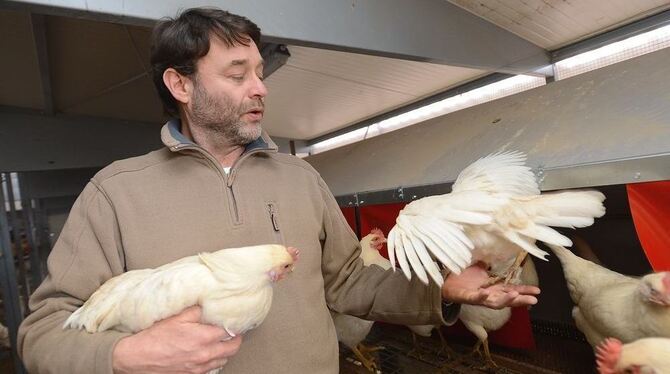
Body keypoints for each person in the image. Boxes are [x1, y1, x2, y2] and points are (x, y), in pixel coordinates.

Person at [17, 7, 540, 374]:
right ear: (181, 85)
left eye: (260, 72)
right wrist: (122, 357)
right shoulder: (115, 193)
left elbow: (351, 282)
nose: (260, 87)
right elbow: (42, 333)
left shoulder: (300, 177)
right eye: (237, 73)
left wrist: (440, 289)